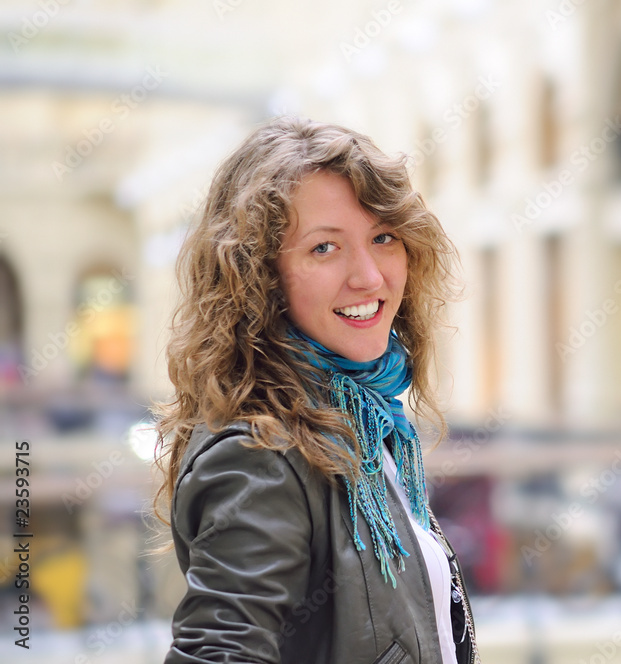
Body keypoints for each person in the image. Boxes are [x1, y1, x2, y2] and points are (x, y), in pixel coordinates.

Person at [153, 116, 478, 664]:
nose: (370, 277)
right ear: (258, 278)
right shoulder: (259, 456)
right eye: (324, 248)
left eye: (383, 237)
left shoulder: (362, 420)